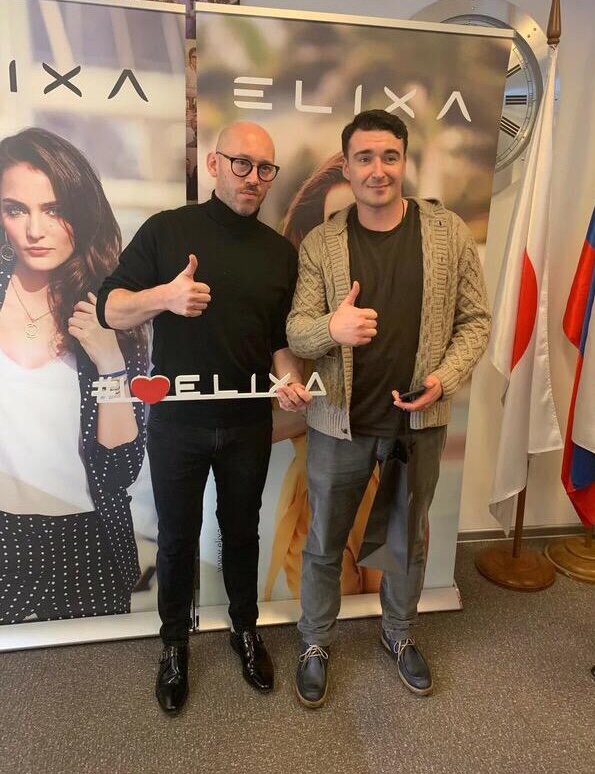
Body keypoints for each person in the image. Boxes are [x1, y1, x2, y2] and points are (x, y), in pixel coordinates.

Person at [96, 121, 312, 715]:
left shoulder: (278, 253)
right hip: (178, 424)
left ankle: (245, 630)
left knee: (242, 531)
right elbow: (110, 307)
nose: (253, 178)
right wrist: (164, 298)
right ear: (214, 164)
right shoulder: (168, 230)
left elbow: (278, 340)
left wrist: (288, 378)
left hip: (247, 423)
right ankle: (174, 645)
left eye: (264, 168)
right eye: (241, 164)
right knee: (176, 537)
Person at [287, 109, 491, 707]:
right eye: (365, 158)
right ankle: (315, 643)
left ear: (404, 161)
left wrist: (445, 378)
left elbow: (476, 320)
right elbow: (297, 330)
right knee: (324, 541)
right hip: (339, 424)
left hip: (417, 424)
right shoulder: (323, 244)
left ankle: (399, 633)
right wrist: (332, 327)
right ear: (347, 168)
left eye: (389, 156)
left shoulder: (448, 232)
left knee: (407, 542)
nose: (378, 170)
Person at [0, 128, 147, 625]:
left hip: (88, 539)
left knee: (94, 672)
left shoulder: (110, 308)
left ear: (81, 213)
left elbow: (121, 466)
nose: (34, 230)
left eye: (53, 209)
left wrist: (109, 361)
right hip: (4, 537)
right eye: (16, 209)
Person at [265, 153, 382, 601]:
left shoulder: (394, 296)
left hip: (386, 483)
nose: (345, 233)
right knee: (327, 606)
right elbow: (263, 422)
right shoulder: (289, 312)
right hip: (316, 491)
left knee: (384, 603)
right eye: (333, 220)